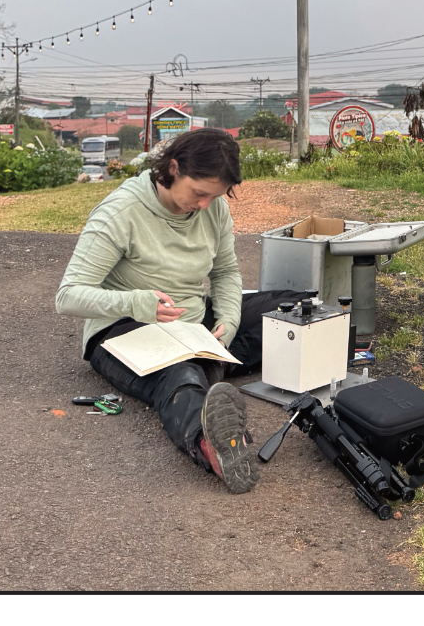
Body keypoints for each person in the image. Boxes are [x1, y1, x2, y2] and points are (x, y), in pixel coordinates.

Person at [56, 126, 273, 489]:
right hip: (123, 326)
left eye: (214, 196)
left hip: (191, 322)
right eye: (199, 193)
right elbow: (69, 296)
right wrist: (138, 302)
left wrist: (230, 318)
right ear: (173, 169)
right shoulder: (121, 211)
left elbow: (226, 271)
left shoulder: (213, 206)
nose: (204, 204)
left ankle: (213, 362)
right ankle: (211, 444)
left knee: (296, 314)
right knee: (179, 376)